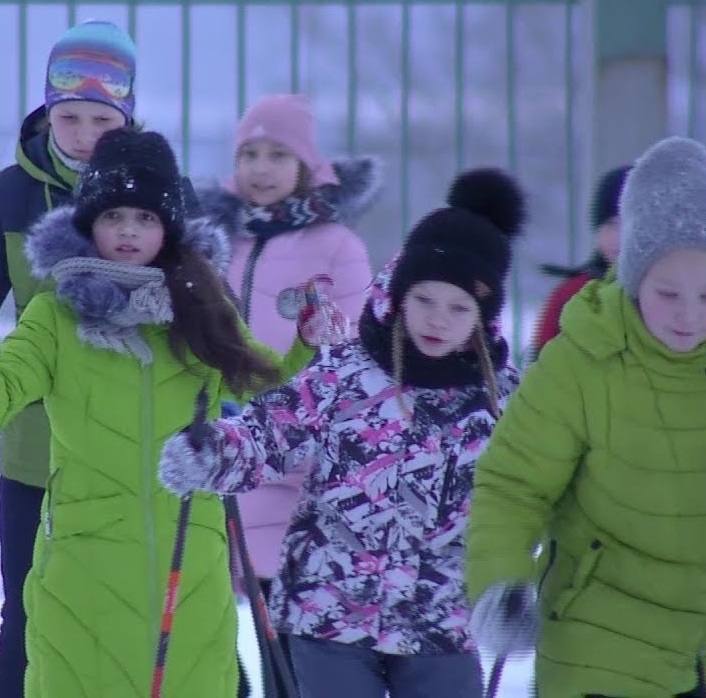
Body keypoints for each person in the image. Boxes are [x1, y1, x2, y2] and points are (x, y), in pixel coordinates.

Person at [0, 128, 340, 696]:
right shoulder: (55, 315)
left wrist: (308, 345)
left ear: (168, 228)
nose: (129, 231)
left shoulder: (202, 306)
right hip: (85, 568)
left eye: (147, 219)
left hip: (188, 563)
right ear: (88, 223)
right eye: (115, 215)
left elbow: (272, 397)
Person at [159, 168, 527, 698]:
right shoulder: (348, 372)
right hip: (329, 611)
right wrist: (212, 452)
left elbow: (531, 487)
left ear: (483, 319)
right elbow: (271, 431)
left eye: (459, 308)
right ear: (399, 294)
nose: (438, 320)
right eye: (424, 299)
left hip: (442, 620)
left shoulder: (501, 402)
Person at [0, 20, 194, 697]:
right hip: (38, 437)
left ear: (125, 115)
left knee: (155, 614)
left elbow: (199, 292)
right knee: (30, 607)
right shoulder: (12, 191)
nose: (82, 132)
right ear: (47, 111)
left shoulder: (153, 188)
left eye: (101, 117)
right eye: (69, 115)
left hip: (138, 447)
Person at [466, 136, 706, 698]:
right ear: (632, 277)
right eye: (668, 292)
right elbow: (513, 483)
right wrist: (501, 581)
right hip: (602, 637)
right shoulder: (582, 359)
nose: (689, 315)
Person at [199, 92, 379, 695]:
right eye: (249, 153)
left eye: (278, 153)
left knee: (289, 647)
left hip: (297, 468)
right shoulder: (212, 241)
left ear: (306, 164)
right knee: (210, 637)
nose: (261, 167)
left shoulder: (337, 248)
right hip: (220, 456)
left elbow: (350, 354)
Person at [530, 164, 630, 358]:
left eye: (630, 225)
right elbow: (539, 372)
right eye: (611, 224)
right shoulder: (571, 294)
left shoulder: (673, 293)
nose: (619, 237)